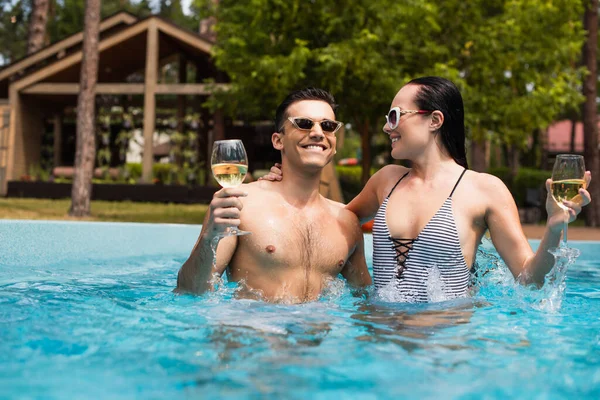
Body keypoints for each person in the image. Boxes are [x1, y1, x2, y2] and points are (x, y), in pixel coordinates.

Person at [264, 77, 592, 303]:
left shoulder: (483, 189)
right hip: (380, 343)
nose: (386, 127)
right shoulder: (386, 180)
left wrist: (553, 227)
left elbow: (529, 280)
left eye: (395, 116)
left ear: (435, 120)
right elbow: (338, 217)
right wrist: (285, 183)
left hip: (446, 348)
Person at [176, 87, 372, 302]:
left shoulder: (346, 221)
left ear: (333, 145)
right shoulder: (240, 206)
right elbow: (190, 290)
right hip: (252, 332)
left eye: (328, 126)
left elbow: (364, 299)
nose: (317, 133)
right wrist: (209, 238)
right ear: (278, 140)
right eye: (304, 124)